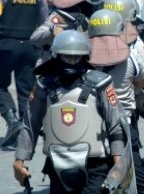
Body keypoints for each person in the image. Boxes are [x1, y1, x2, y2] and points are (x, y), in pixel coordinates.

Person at [12, 30, 131, 193]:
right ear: (57, 56)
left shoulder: (100, 83)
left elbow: (115, 124)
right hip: (57, 163)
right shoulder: (43, 85)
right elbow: (30, 124)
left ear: (84, 57)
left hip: (95, 165)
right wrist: (19, 160)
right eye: (67, 56)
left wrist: (119, 165)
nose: (72, 62)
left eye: (77, 57)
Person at [87, 9, 144, 192]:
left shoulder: (81, 55)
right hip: (124, 123)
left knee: (96, 176)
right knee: (135, 176)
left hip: (91, 126)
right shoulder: (130, 56)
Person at [0, 0, 49, 147]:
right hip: (29, 47)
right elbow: (45, 21)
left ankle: (11, 120)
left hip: (5, 45)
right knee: (25, 89)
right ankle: (22, 130)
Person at [30, 0, 114, 62]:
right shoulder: (66, 14)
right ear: (94, 0)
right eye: (103, 3)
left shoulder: (104, 18)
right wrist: (53, 30)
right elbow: (35, 37)